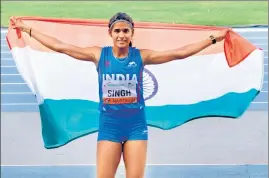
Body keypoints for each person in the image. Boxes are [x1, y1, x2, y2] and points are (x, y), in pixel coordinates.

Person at [10, 12, 229, 178]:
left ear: (132, 33)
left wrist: (212, 39)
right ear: (110, 33)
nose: (122, 35)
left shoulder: (141, 56)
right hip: (109, 127)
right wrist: (28, 30)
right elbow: (60, 46)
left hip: (135, 127)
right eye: (117, 31)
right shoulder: (99, 55)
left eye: (126, 31)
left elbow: (179, 53)